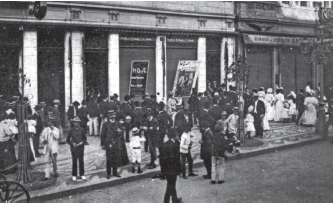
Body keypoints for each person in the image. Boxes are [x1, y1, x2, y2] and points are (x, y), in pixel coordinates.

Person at [159, 128, 182, 203]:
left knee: (171, 184)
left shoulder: (163, 145)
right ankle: (167, 201)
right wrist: (180, 170)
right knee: (171, 185)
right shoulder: (175, 145)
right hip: (173, 169)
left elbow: (161, 160)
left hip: (166, 169)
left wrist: (163, 171)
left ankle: (174, 199)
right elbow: (177, 159)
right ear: (174, 136)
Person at [100, 110, 122, 179]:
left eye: (113, 116)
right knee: (109, 159)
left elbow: (122, 133)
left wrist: (120, 132)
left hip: (116, 143)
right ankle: (108, 173)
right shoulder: (105, 124)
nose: (112, 117)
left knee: (116, 158)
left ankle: (115, 172)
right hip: (108, 143)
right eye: (111, 116)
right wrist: (103, 144)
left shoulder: (118, 123)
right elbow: (102, 135)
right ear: (109, 116)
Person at [66, 116, 87, 182]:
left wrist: (82, 143)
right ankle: (74, 175)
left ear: (79, 123)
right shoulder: (71, 130)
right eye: (75, 122)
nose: (76, 123)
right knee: (74, 161)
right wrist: (72, 143)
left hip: (80, 147)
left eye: (77, 122)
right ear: (73, 123)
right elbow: (68, 140)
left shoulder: (82, 129)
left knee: (81, 161)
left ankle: (82, 174)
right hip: (74, 148)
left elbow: (85, 138)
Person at [41, 115, 60, 180]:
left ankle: (55, 172)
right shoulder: (45, 129)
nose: (50, 124)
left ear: (53, 123)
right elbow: (41, 137)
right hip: (47, 147)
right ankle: (47, 175)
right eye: (49, 122)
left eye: (51, 123)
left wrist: (52, 130)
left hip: (53, 147)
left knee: (54, 161)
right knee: (47, 161)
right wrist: (43, 140)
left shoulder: (56, 129)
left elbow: (57, 137)